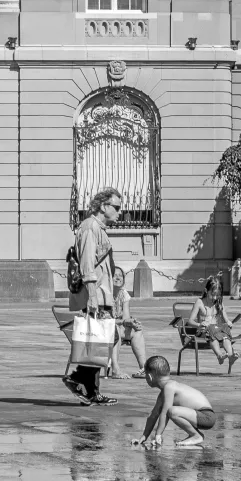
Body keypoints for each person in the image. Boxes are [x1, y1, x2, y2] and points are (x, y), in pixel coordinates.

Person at [63, 187, 122, 406]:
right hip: (95, 294)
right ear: (103, 206)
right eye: (115, 207)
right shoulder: (90, 228)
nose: (119, 212)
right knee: (106, 338)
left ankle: (90, 391)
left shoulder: (99, 229)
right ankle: (78, 377)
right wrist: (92, 296)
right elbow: (87, 263)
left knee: (101, 339)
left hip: (102, 294)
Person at [132, 356, 216, 449]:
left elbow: (165, 413)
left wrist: (158, 435)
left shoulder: (169, 387)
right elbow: (153, 415)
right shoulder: (163, 392)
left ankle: (196, 436)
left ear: (149, 377)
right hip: (200, 416)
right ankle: (195, 435)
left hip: (206, 416)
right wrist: (144, 437)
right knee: (171, 411)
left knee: (172, 411)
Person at [186, 276, 239, 368]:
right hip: (203, 331)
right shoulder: (199, 302)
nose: (215, 297)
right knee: (212, 331)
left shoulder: (218, 302)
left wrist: (228, 322)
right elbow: (190, 321)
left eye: (217, 295)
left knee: (225, 333)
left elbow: (226, 318)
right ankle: (220, 355)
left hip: (217, 331)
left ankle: (230, 355)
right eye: (213, 294)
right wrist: (199, 324)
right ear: (206, 291)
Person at [109, 266, 147, 379]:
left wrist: (132, 322)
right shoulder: (104, 293)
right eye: (115, 275)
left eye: (120, 276)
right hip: (103, 329)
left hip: (117, 326)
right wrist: (124, 321)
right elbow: (105, 320)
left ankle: (144, 368)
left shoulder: (123, 293)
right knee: (114, 328)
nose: (118, 278)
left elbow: (125, 317)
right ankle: (115, 370)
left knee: (137, 331)